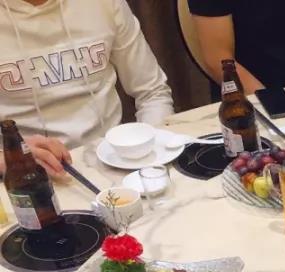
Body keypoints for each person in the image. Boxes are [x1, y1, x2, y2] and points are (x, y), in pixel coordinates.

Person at [0, 0, 173, 175]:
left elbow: (152, 92)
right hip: (25, 174)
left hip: (113, 163)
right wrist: (7, 158)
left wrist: (151, 156)